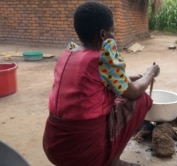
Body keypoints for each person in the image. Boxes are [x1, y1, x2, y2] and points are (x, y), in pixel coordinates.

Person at [42, 1, 160, 166]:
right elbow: (134, 93)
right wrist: (150, 73)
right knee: (140, 100)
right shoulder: (101, 59)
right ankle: (113, 161)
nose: (114, 36)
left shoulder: (68, 53)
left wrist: (132, 78)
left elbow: (102, 81)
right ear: (103, 34)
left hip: (53, 147)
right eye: (113, 31)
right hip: (84, 154)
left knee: (118, 97)